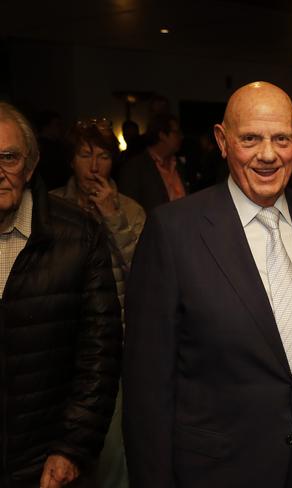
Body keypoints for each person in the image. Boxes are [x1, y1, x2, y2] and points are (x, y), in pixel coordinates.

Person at [123, 81, 292, 488]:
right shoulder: (173, 231)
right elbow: (148, 386)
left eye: (281, 139)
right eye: (250, 139)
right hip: (218, 471)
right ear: (222, 140)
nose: (268, 155)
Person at [0, 103, 122, 487]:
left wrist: (72, 446)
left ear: (31, 165)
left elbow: (98, 353)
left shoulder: (77, 234)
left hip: (42, 460)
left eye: (9, 157)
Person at [50, 121, 145, 488]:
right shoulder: (52, 205)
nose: (94, 166)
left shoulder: (132, 210)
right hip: (62, 341)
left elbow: (145, 274)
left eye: (103, 156)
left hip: (116, 342)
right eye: (85, 155)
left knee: (111, 447)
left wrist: (112, 215)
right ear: (71, 160)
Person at [117, 113, 188, 213]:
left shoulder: (178, 165)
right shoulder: (135, 168)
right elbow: (128, 213)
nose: (181, 136)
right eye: (177, 132)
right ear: (162, 135)